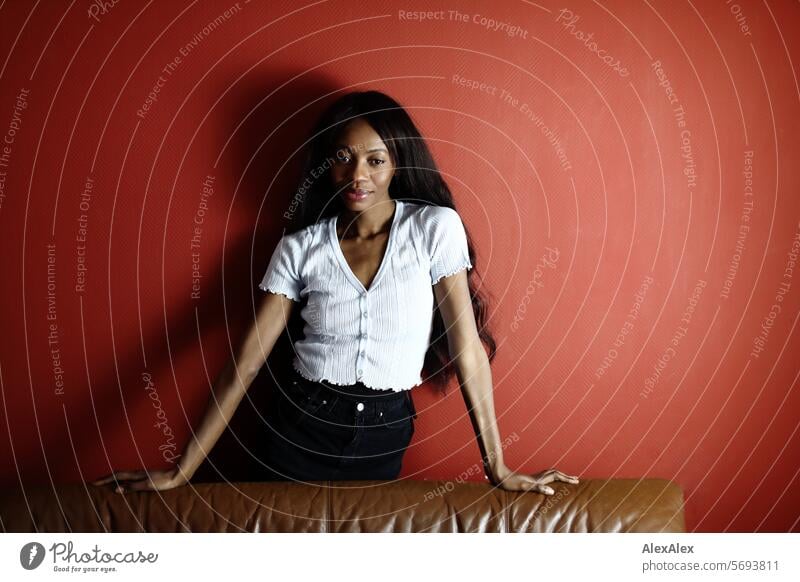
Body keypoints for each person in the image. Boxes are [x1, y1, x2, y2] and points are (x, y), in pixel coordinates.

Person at [92, 90, 579, 495]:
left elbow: (465, 347)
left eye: (375, 159)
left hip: (386, 432)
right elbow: (245, 361)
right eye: (343, 158)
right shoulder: (300, 247)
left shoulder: (434, 229)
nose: (357, 175)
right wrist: (182, 470)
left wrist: (499, 468)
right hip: (298, 425)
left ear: (397, 162)